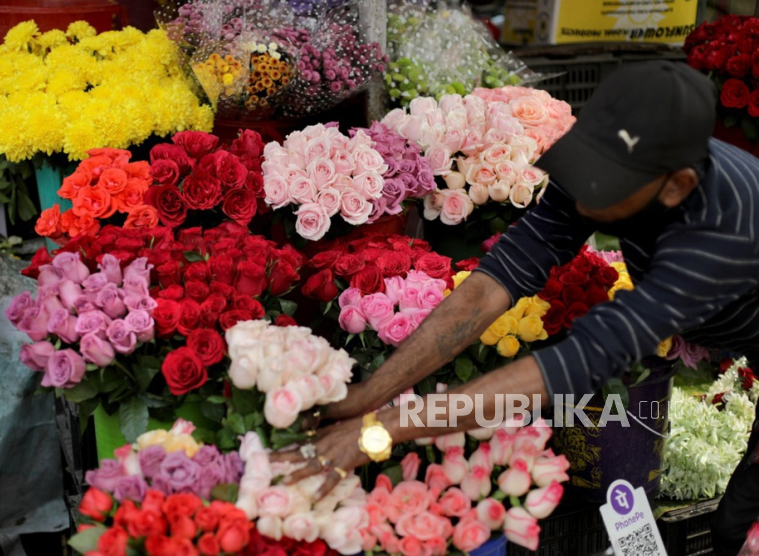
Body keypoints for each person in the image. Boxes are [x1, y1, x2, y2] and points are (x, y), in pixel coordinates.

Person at [273, 60, 759, 554]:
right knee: (731, 532)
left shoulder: (719, 234)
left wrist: (380, 430)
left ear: (675, 187)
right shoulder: (618, 163)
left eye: (605, 185)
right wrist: (369, 396)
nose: (584, 195)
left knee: (741, 533)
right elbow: (495, 283)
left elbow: (574, 365)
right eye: (586, 169)